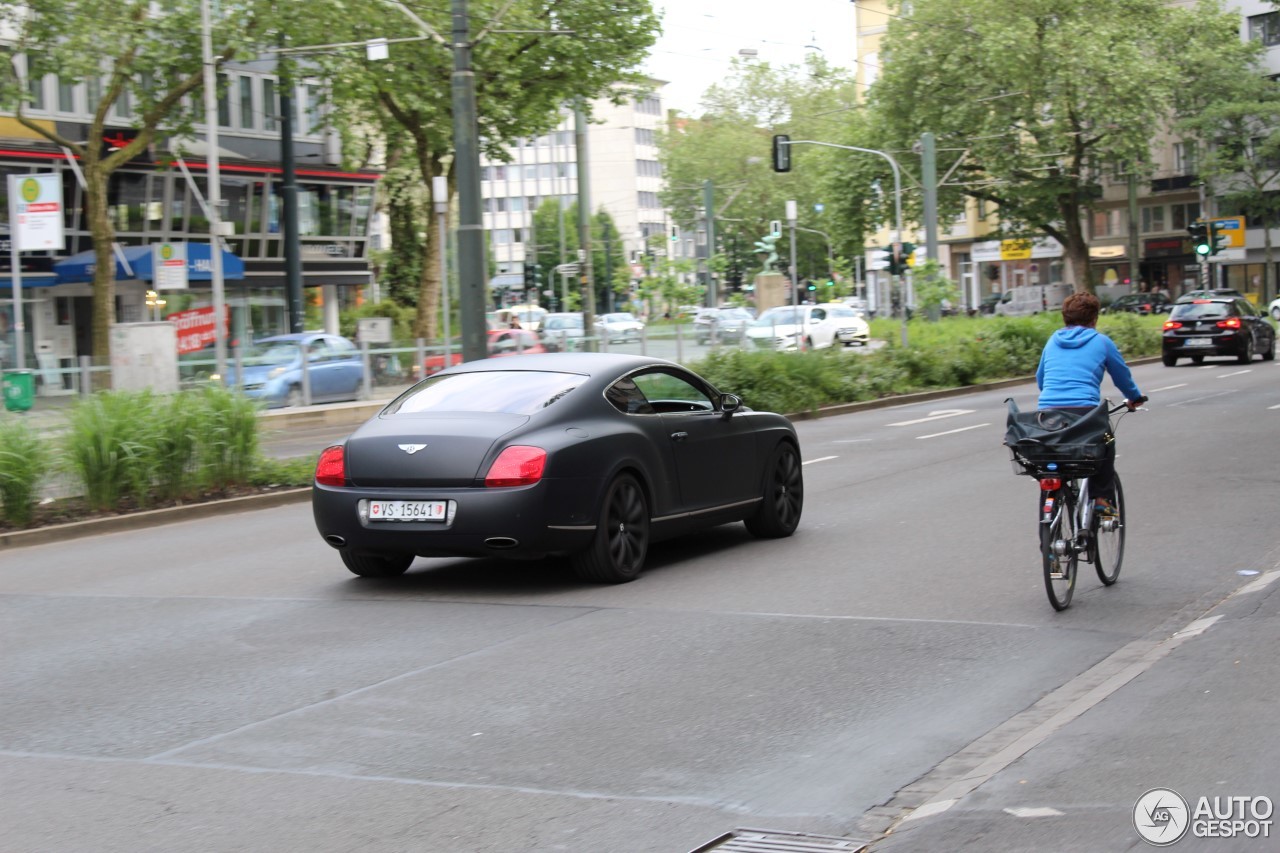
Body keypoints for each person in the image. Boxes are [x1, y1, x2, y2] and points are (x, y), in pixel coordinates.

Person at [1035, 292, 1144, 514]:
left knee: (1053, 460)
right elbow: (1122, 377)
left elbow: (1041, 379)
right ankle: (1102, 498)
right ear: (1094, 318)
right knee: (1106, 440)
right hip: (1084, 411)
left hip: (1047, 415)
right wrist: (1134, 398)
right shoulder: (1101, 342)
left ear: (1065, 317)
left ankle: (1048, 540)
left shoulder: (1052, 341)